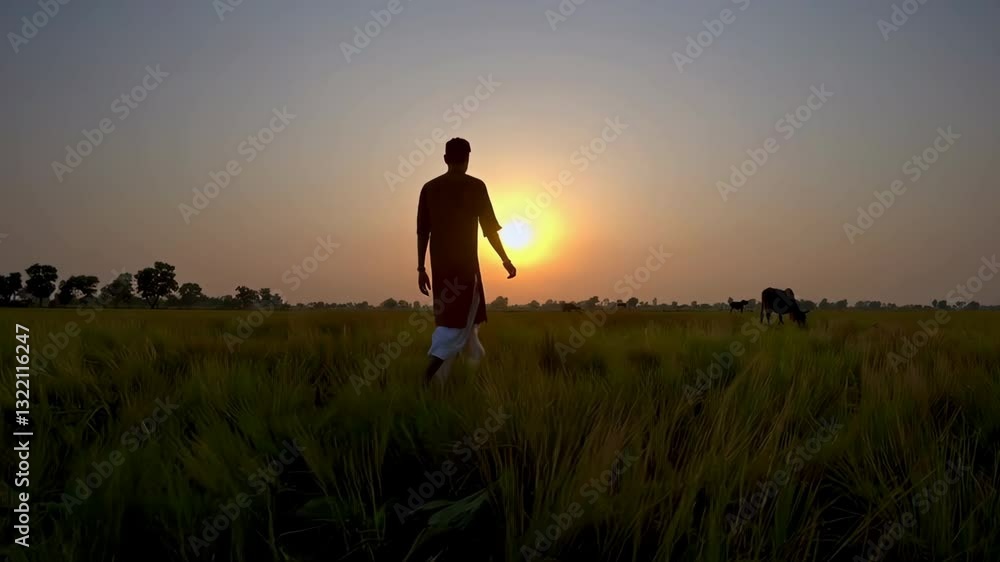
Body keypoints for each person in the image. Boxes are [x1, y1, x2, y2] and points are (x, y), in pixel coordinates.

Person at [416, 138, 516, 384]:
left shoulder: (429, 188)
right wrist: (505, 259)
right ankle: (431, 373)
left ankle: (463, 382)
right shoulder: (475, 187)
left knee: (463, 323)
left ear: (445, 159)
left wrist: (421, 267)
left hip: (440, 271)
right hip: (466, 270)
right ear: (468, 159)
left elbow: (422, 232)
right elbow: (490, 230)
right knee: (456, 323)